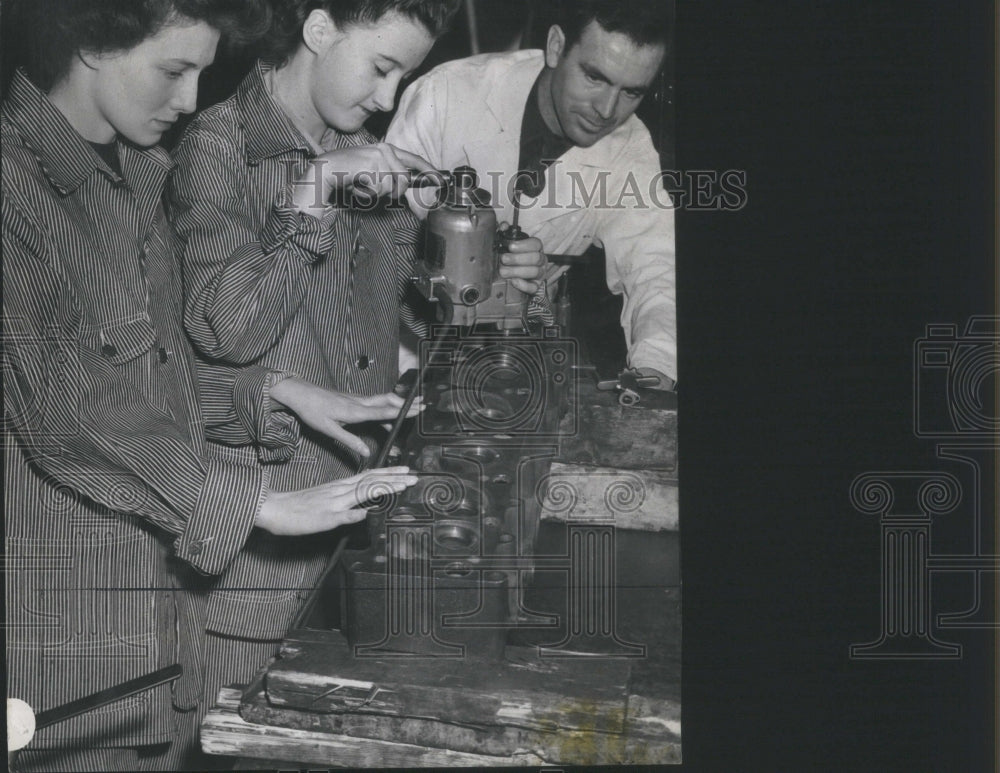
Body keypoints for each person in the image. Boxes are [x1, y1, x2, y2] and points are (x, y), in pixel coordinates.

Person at [1, 1, 419, 770]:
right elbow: (70, 406)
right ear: (91, 42)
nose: (192, 100)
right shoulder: (13, 192)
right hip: (59, 653)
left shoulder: (139, 176)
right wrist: (256, 501)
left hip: (160, 623)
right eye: (173, 69)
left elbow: (165, 373)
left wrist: (277, 393)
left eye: (201, 70)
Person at [166, 0, 548, 734]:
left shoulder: (368, 153)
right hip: (254, 565)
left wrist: (498, 278)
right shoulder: (216, 150)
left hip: (356, 546)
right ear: (317, 30)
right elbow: (227, 327)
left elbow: (426, 314)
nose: (387, 98)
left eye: (404, 76)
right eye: (382, 67)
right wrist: (315, 195)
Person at [386, 0, 678, 388]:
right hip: (400, 343)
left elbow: (657, 271)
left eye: (632, 93)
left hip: (518, 354)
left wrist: (656, 369)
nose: (607, 110)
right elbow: (376, 240)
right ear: (557, 46)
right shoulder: (447, 93)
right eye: (595, 77)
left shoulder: (630, 151)